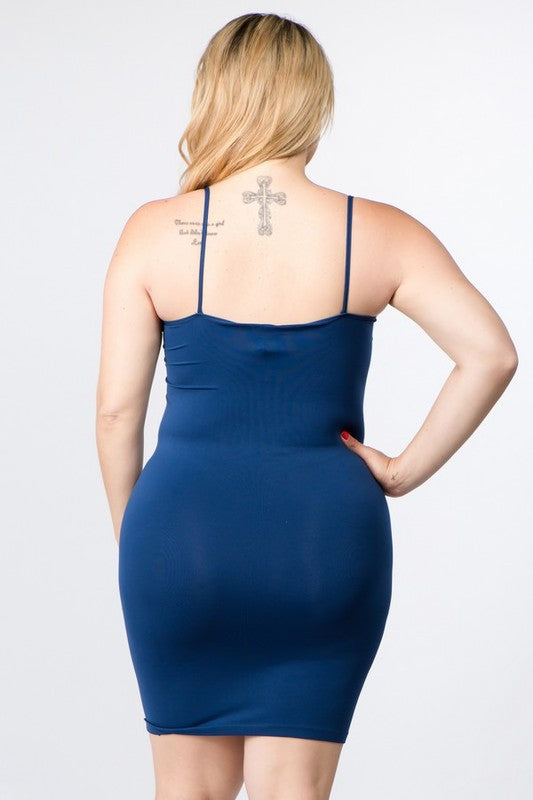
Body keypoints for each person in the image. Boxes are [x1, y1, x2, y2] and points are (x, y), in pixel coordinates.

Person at [95, 12, 518, 800]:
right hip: (323, 543)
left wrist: (138, 545)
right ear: (311, 102)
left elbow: (118, 416)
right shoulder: (379, 231)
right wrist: (400, 471)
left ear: (215, 96)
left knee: (186, 793)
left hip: (183, 538)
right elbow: (490, 354)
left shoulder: (153, 232)